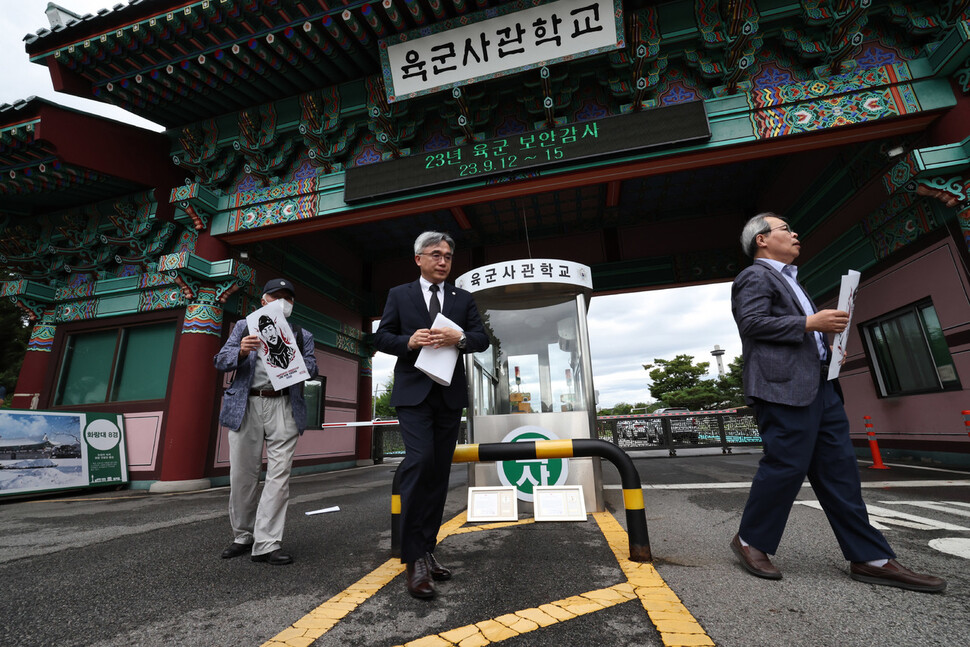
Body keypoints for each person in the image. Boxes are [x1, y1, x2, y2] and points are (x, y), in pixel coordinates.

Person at [729, 212, 945, 593]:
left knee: (840, 471)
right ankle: (751, 541)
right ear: (761, 240)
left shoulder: (794, 281)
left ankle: (871, 558)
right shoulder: (755, 276)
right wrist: (811, 324)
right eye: (785, 229)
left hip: (822, 387)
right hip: (783, 390)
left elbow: (797, 335)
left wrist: (827, 351)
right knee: (785, 467)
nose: (796, 234)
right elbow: (752, 323)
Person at [373, 231, 489, 599]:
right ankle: (414, 559)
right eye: (435, 254)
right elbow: (381, 338)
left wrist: (460, 340)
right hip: (413, 393)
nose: (443, 261)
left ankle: (426, 547)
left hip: (449, 395)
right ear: (418, 259)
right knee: (420, 461)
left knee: (439, 474)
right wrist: (408, 342)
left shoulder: (463, 298)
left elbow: (482, 338)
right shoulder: (399, 295)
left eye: (448, 256)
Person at [214, 278, 317, 566]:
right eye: (276, 296)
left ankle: (267, 542)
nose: (282, 302)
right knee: (243, 474)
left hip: (283, 403)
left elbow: (312, 367)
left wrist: (294, 358)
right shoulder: (242, 328)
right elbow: (220, 360)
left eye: (288, 298)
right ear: (263, 301)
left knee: (279, 476)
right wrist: (241, 351)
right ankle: (243, 535)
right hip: (247, 404)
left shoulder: (301, 333)